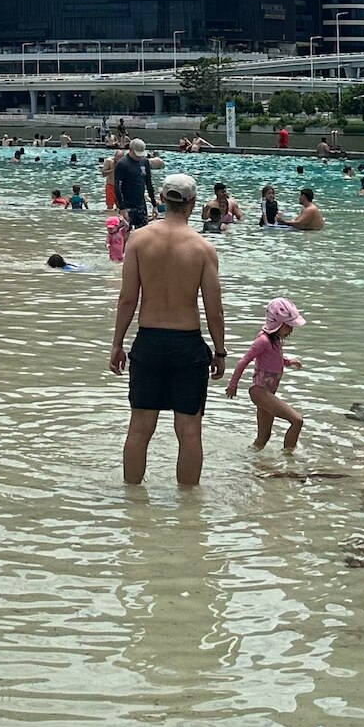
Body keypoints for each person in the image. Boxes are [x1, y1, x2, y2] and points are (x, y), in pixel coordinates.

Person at [109, 173, 225, 487]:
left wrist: (117, 343)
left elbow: (128, 298)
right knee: (189, 431)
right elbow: (213, 308)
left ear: (161, 198)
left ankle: (131, 499)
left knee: (139, 428)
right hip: (187, 345)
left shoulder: (139, 239)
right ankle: (189, 510)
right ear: (192, 203)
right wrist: (220, 350)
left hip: (148, 341)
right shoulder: (203, 248)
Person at [225, 297, 307, 455]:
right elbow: (244, 361)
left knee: (263, 438)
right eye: (289, 325)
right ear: (277, 323)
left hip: (267, 393)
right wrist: (233, 385)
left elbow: (273, 360)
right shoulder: (263, 340)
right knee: (297, 421)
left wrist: (288, 362)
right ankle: (289, 459)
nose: (291, 330)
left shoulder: (275, 341)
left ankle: (248, 462)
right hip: (260, 392)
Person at [113, 138, 152, 232]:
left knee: (142, 233)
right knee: (125, 232)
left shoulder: (144, 162)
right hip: (127, 205)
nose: (139, 157)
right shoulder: (122, 164)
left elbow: (149, 183)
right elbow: (117, 187)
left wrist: (154, 204)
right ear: (130, 150)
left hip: (141, 205)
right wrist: (122, 208)